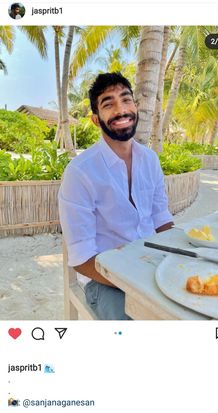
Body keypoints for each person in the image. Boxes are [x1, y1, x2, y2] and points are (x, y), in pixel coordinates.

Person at [58, 72, 174, 320]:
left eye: (126, 99)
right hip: (103, 278)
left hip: (152, 264)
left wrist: (177, 256)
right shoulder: (80, 173)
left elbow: (162, 219)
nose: (121, 110)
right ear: (96, 120)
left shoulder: (150, 160)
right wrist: (135, 282)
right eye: (108, 104)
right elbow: (82, 259)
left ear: (135, 106)